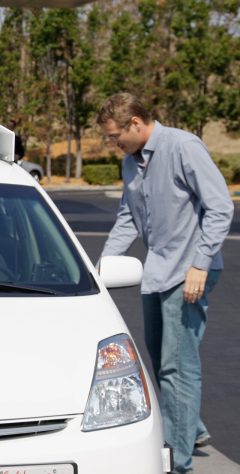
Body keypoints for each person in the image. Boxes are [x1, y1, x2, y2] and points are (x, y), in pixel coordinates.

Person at [97, 93, 233, 474]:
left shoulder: (182, 147)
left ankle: (179, 460)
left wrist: (200, 264)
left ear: (137, 124)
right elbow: (128, 217)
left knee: (178, 367)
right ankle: (194, 428)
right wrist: (101, 268)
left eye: (115, 136)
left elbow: (220, 207)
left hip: (189, 273)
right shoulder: (131, 163)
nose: (113, 145)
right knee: (160, 361)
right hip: (158, 271)